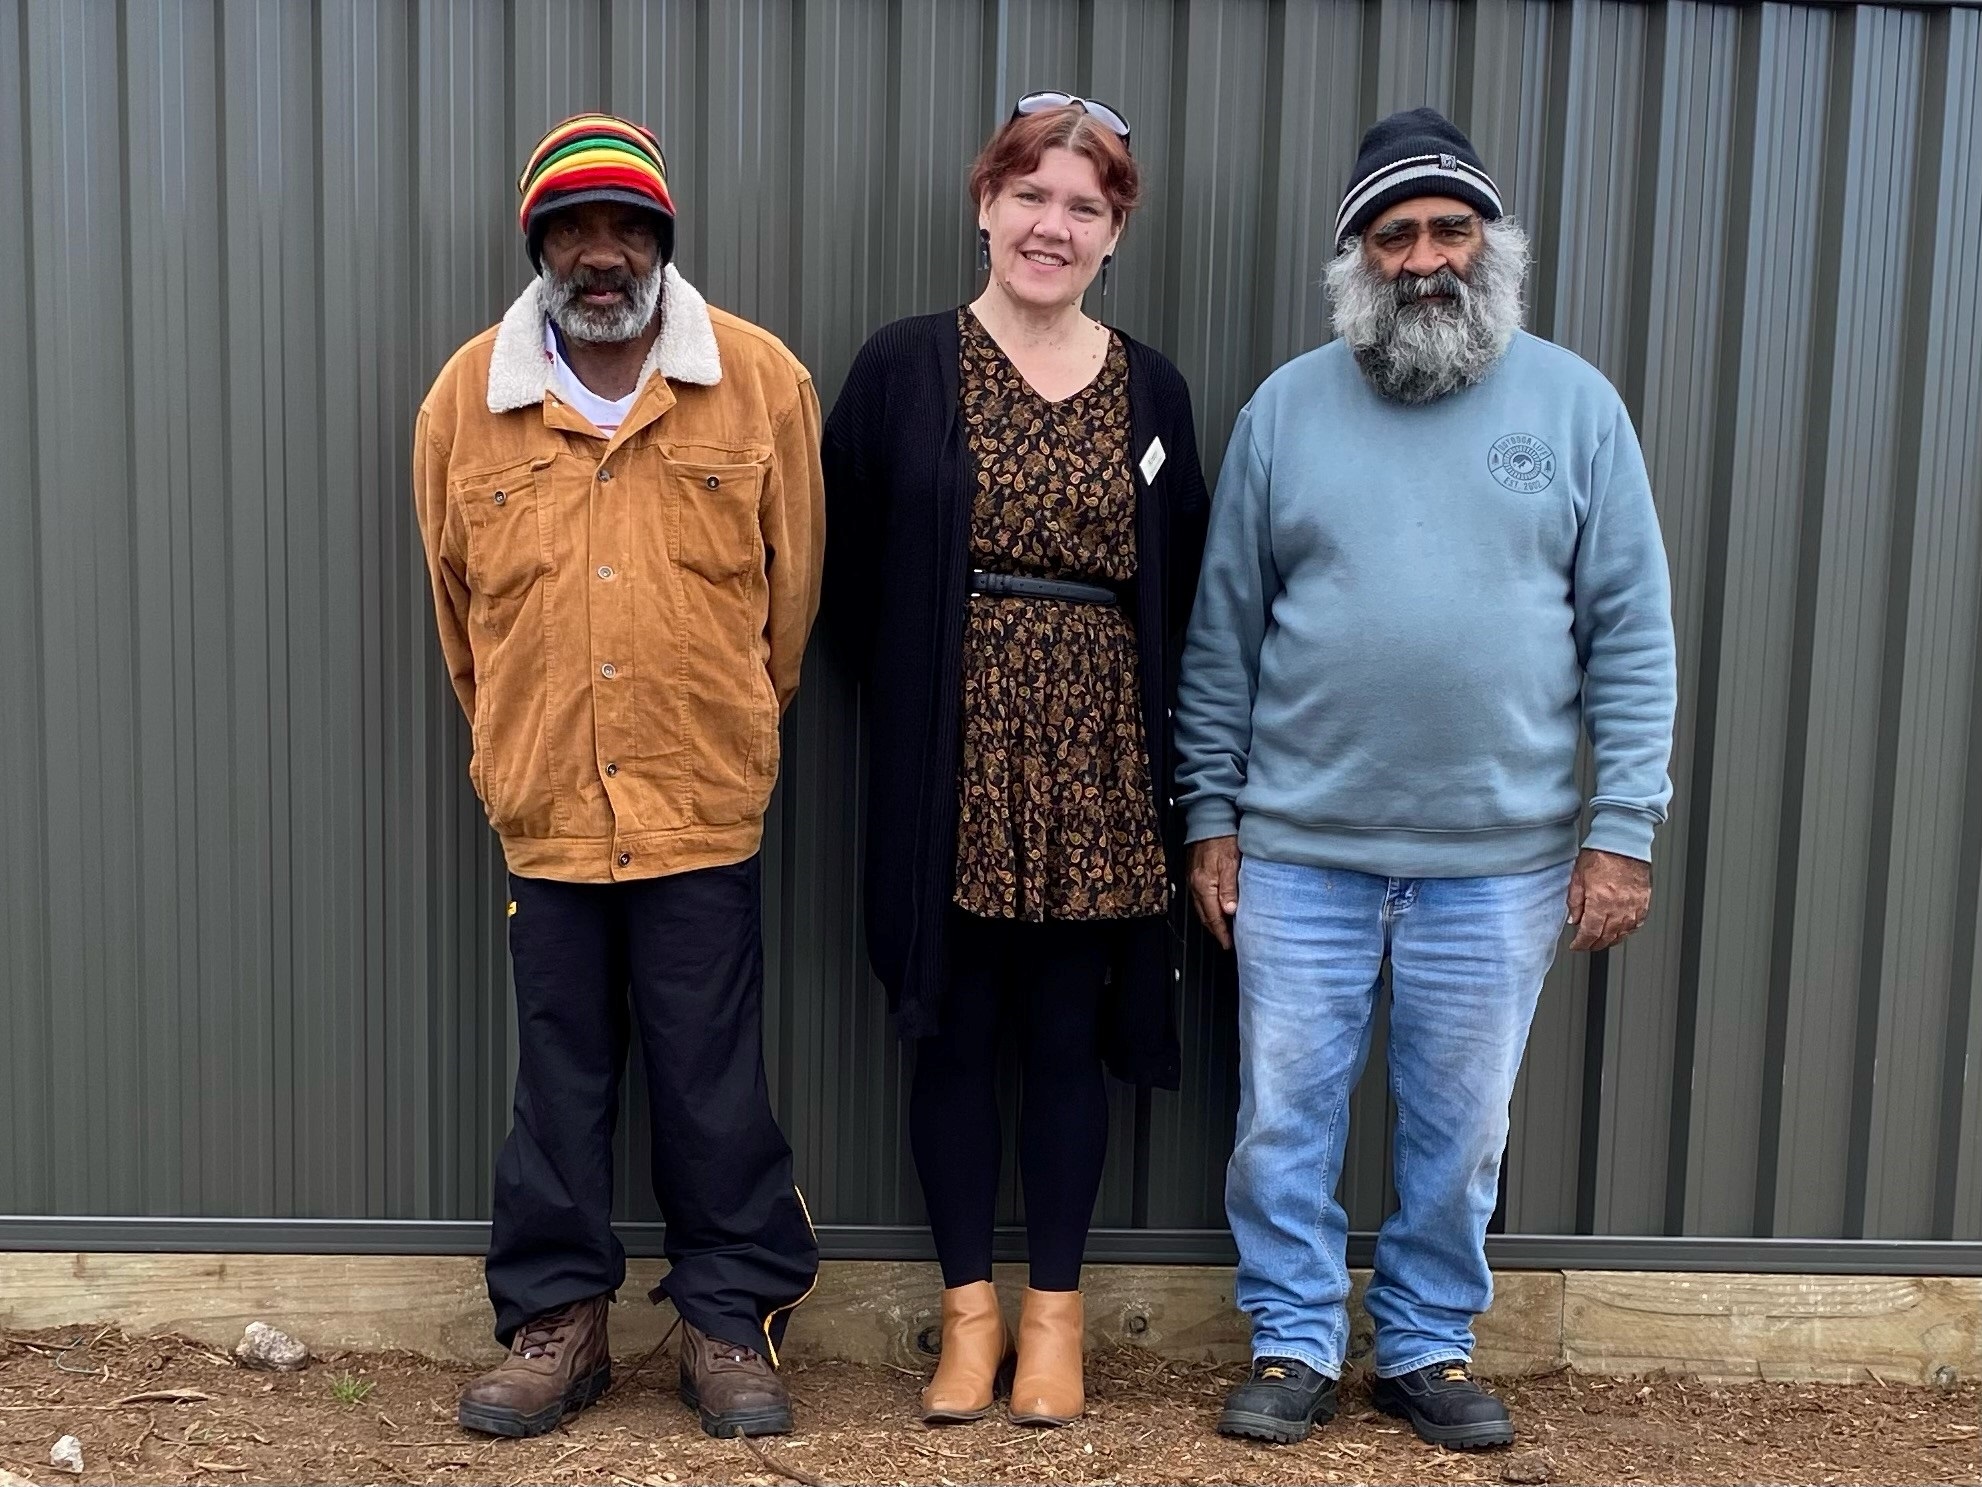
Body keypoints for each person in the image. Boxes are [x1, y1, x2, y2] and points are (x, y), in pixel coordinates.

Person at [1176, 107, 1677, 1451]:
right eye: (1392, 235)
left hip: (1498, 861)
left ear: (1489, 244)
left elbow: (1630, 630)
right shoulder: (1284, 410)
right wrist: (1209, 820)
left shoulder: (1573, 408)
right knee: (1283, 1116)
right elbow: (1223, 631)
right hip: (1298, 849)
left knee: (1459, 1131)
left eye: (1448, 229)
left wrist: (1617, 829)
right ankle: (1289, 1340)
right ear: (1356, 258)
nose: (1422, 259)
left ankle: (1423, 1345)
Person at [412, 114, 824, 1441]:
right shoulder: (464, 401)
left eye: (626, 229)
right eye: (573, 232)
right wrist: (512, 750)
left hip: (701, 799)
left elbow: (791, 601)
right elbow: (459, 620)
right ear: (538, 247)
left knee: (711, 1076)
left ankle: (724, 1320)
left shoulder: (759, 385)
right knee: (560, 1073)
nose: (602, 256)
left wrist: (732, 729)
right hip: (545, 808)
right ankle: (557, 1323)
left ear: (662, 241)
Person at [822, 93, 1208, 1428]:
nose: (1052, 225)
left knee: (1063, 1038)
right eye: (1030, 196)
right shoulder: (901, 367)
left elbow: (1185, 587)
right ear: (985, 205)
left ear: (1113, 235)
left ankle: (1055, 1323)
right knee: (951, 1036)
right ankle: (967, 1322)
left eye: (1083, 207)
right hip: (953, 754)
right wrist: (947, 700)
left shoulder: (1151, 389)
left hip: (1101, 756)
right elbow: (848, 577)